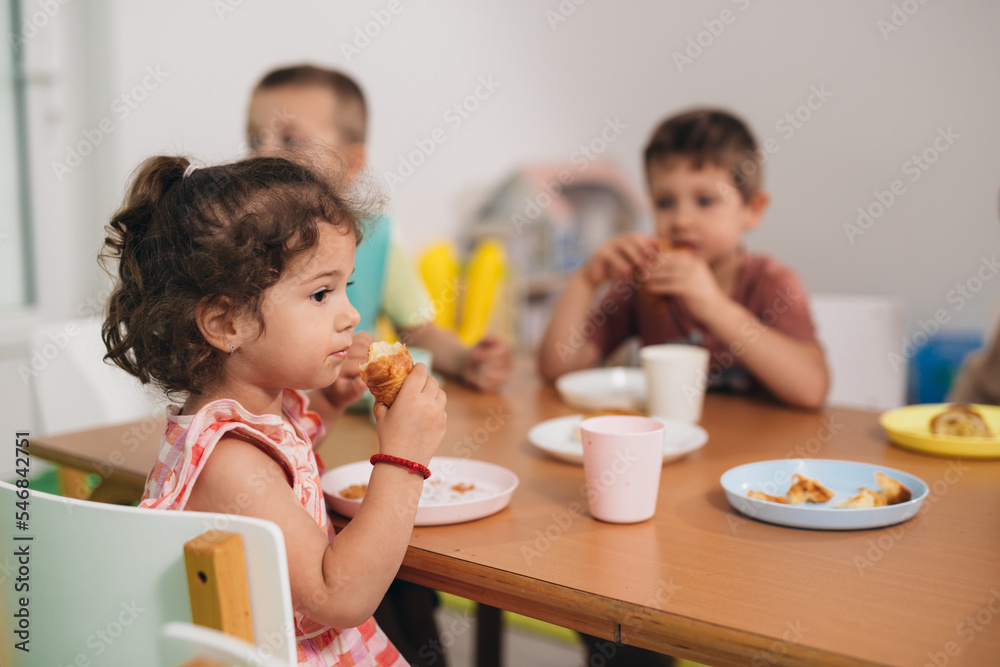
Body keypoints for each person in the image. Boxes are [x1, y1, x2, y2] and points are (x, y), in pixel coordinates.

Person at [101, 155, 447, 666]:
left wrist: (327, 405)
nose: (350, 315)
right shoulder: (231, 464)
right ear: (225, 323)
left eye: (345, 288)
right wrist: (403, 459)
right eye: (321, 293)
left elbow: (287, 472)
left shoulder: (239, 419)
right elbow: (340, 596)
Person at [246, 64, 511, 395]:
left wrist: (464, 360)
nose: (262, 153)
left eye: (290, 139)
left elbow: (419, 332)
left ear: (351, 162)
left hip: (347, 427)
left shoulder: (377, 238)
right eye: (255, 139)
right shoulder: (239, 238)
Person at [539, 108, 829, 411]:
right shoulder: (645, 282)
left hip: (757, 453)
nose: (681, 220)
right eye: (665, 203)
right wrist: (586, 280)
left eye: (705, 201)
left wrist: (714, 306)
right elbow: (557, 369)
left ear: (752, 209)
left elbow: (811, 389)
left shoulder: (771, 282)